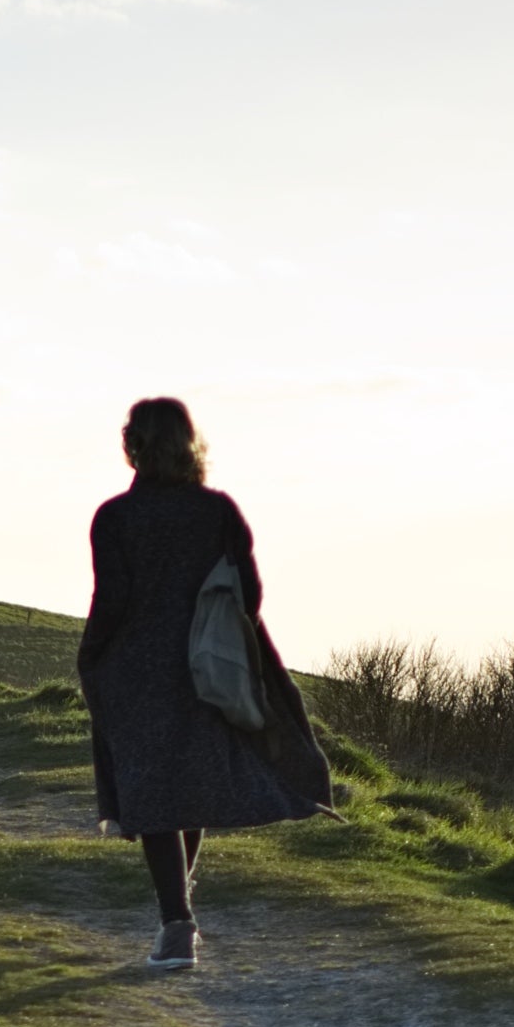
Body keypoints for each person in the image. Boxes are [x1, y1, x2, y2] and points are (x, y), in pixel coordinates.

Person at [77, 397, 335, 970]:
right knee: (184, 786)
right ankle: (178, 915)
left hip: (136, 669)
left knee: (154, 791)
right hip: (206, 665)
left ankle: (176, 923)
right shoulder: (217, 511)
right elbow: (250, 594)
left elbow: (111, 601)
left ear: (133, 446)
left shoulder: (114, 518)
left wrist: (91, 657)